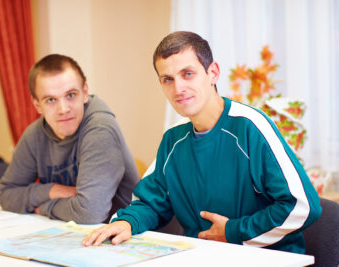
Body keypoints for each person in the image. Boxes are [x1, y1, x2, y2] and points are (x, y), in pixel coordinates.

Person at [83, 31, 322, 253]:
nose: (179, 88)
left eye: (188, 74)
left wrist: (233, 231)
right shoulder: (173, 140)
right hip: (204, 258)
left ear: (213, 73)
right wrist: (127, 222)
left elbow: (303, 207)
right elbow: (150, 201)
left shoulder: (251, 127)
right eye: (168, 79)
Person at [0, 54, 140, 223]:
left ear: (85, 93)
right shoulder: (34, 134)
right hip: (72, 235)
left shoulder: (100, 128)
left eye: (71, 95)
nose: (63, 109)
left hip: (123, 238)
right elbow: (6, 195)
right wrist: (53, 190)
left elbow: (90, 213)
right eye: (50, 100)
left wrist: (43, 208)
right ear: (37, 105)